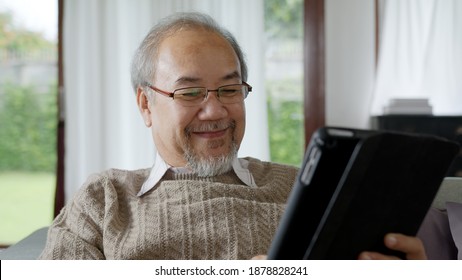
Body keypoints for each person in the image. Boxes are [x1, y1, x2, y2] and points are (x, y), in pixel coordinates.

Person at [39, 12, 442, 260]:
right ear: (146, 104)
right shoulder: (105, 199)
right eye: (190, 92)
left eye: (230, 89)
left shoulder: (309, 190)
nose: (215, 111)